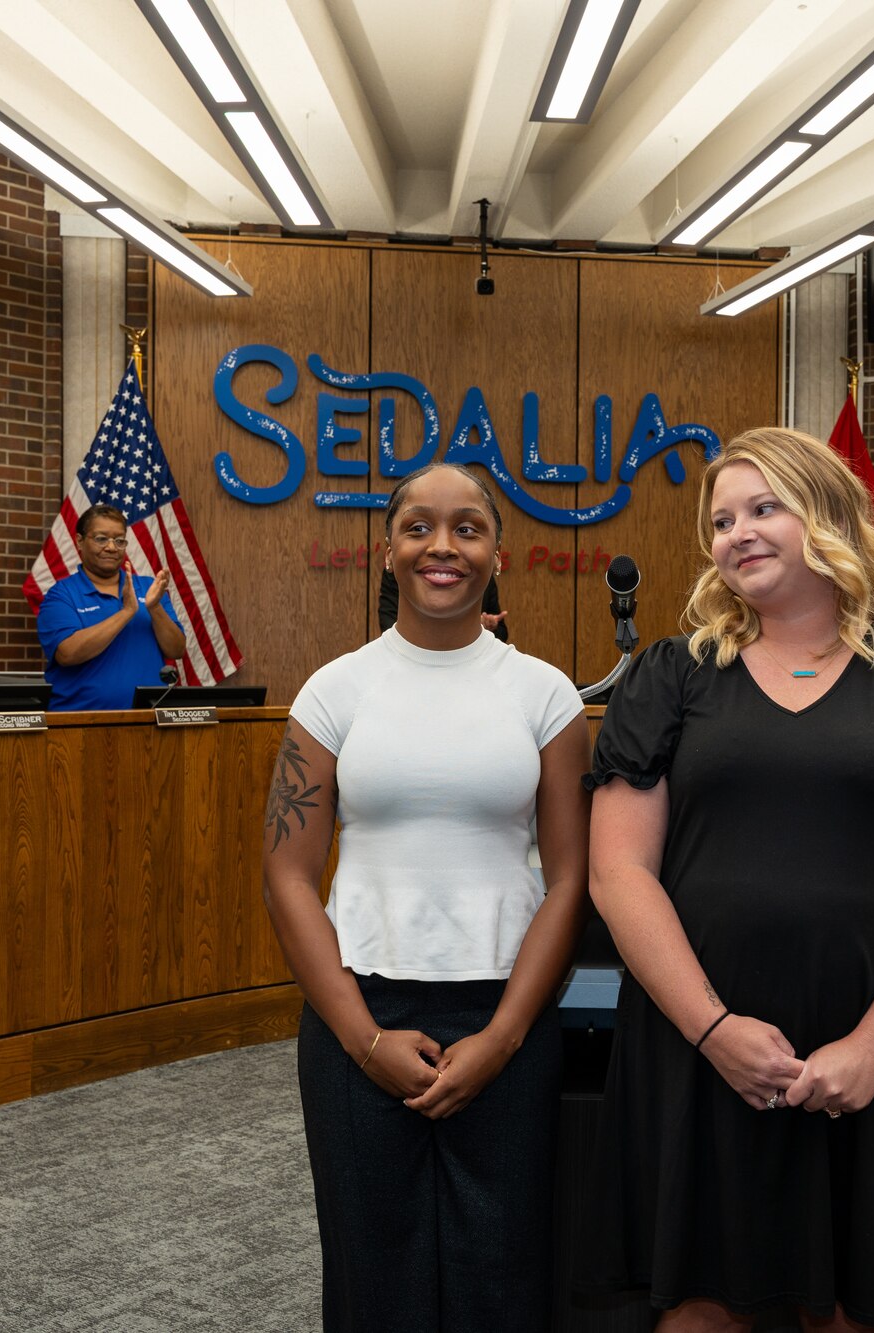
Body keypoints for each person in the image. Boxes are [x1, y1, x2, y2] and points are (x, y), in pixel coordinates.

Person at [577, 427, 874, 1329]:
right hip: (697, 1035)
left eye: (763, 507)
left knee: (854, 1307)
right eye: (721, 519)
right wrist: (712, 1029)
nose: (736, 532)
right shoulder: (670, 676)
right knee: (698, 1304)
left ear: (827, 516)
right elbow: (618, 870)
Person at [262, 461, 590, 1333]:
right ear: (388, 549)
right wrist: (362, 1038)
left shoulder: (546, 693)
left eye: (467, 527)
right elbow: (288, 875)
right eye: (418, 526)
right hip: (357, 1014)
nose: (442, 545)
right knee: (375, 1279)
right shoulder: (335, 690)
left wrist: (505, 1035)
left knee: (506, 1273)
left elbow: (571, 878)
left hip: (507, 1018)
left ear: (496, 550)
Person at [37, 503, 187, 711]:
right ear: (79, 541)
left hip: (147, 720)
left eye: (119, 540)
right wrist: (126, 612)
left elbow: (176, 649)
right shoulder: (62, 595)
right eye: (101, 539)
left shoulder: (148, 588)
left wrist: (154, 608)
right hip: (80, 723)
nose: (111, 547)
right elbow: (68, 654)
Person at [378, 562, 508, 640]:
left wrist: (490, 627)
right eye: (419, 529)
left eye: (464, 531)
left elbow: (502, 633)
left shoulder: (481, 575)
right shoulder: (398, 571)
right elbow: (388, 621)